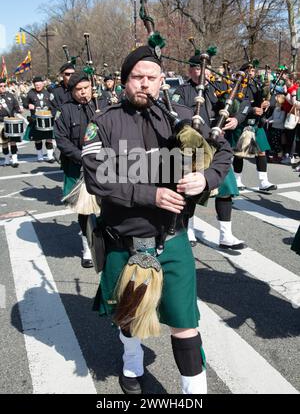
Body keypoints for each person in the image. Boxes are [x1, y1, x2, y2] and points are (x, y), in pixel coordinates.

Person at [82, 45, 233, 394]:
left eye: (152, 78)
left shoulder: (182, 118)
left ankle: (193, 392)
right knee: (129, 316)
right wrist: (150, 195)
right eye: (137, 77)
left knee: (185, 322)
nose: (145, 84)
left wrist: (206, 178)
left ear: (162, 80)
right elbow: (96, 177)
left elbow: (221, 149)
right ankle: (132, 364)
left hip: (172, 239)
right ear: (124, 82)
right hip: (124, 242)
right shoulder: (103, 123)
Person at [173, 55, 248, 249]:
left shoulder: (220, 89)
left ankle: (226, 235)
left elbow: (241, 104)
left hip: (218, 146)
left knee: (225, 191)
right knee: (189, 190)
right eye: (198, 68)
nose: (203, 71)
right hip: (194, 147)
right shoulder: (182, 91)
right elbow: (176, 114)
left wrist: (236, 119)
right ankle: (188, 229)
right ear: (190, 71)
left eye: (206, 68)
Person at [54, 72, 98, 268]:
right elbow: (61, 140)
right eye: (78, 90)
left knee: (109, 204)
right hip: (77, 165)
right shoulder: (64, 111)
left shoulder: (100, 105)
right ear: (72, 91)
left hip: (103, 164)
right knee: (85, 209)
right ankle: (87, 247)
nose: (83, 93)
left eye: (86, 88)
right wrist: (82, 157)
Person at [232, 62, 277, 192]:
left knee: (261, 151)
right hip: (243, 122)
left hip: (257, 123)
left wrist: (269, 103)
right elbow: (236, 104)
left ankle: (264, 182)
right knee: (239, 153)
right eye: (248, 70)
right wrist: (252, 109)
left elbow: (273, 98)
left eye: (252, 70)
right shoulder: (238, 86)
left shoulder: (258, 84)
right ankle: (237, 180)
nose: (251, 72)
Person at [23, 76, 55, 162]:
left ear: (42, 84)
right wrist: (28, 105)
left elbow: (54, 103)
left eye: (39, 84)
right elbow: (24, 103)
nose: (38, 86)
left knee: (49, 138)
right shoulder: (30, 93)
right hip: (35, 118)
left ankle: (50, 156)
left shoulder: (48, 92)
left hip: (47, 118)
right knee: (37, 139)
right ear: (34, 85)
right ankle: (40, 156)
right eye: (36, 85)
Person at [0, 78, 23, 167]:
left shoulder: (10, 95)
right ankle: (6, 159)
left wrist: (19, 110)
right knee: (4, 143)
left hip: (11, 121)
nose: (3, 87)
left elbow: (16, 106)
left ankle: (14, 159)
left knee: (13, 141)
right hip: (1, 122)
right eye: (1, 86)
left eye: (4, 86)